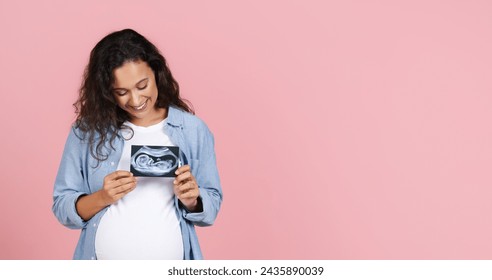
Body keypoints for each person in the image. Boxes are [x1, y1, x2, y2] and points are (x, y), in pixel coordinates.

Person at [52, 29, 222, 260]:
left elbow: (211, 206)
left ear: (157, 72)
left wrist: (193, 199)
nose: (135, 100)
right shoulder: (87, 132)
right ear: (106, 91)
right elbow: (62, 206)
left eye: (142, 86)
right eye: (121, 92)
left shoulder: (192, 130)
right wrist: (103, 197)